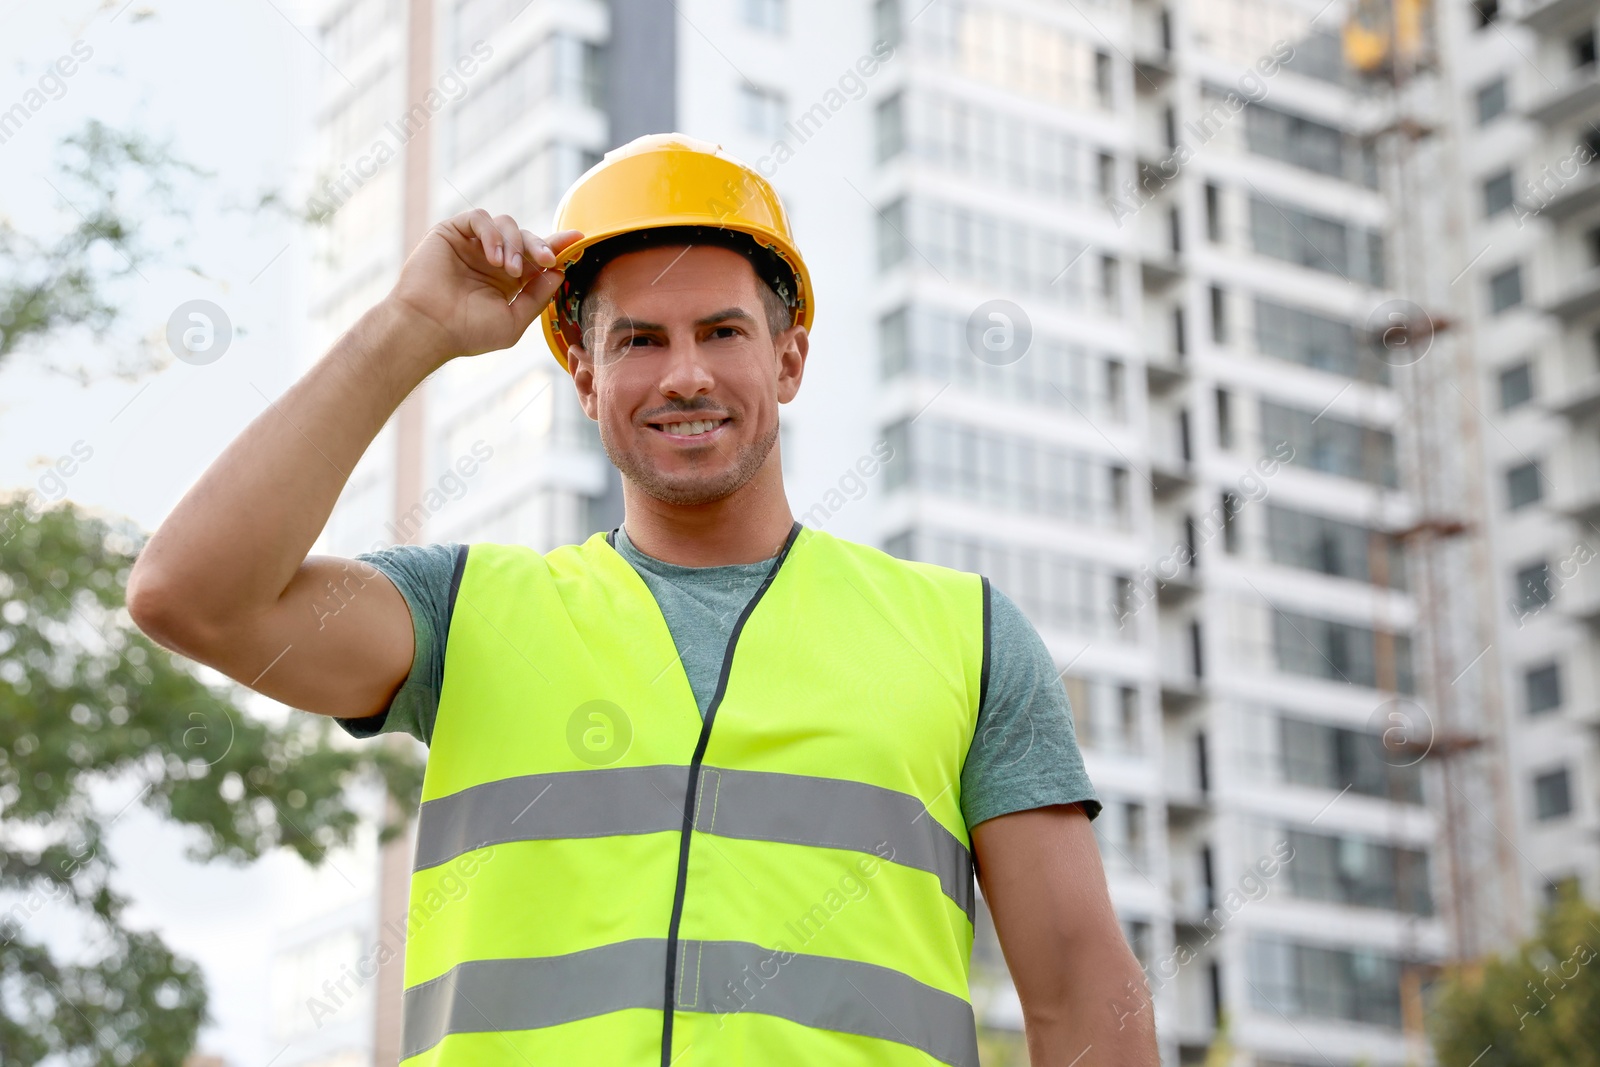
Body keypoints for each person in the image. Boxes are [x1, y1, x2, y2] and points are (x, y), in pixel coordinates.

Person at [128, 134, 1158, 1067]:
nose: (685, 374)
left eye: (722, 331)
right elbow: (190, 594)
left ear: (788, 355)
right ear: (582, 373)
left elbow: (1082, 1004)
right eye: (637, 341)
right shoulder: (466, 612)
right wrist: (412, 326)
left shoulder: (966, 637)